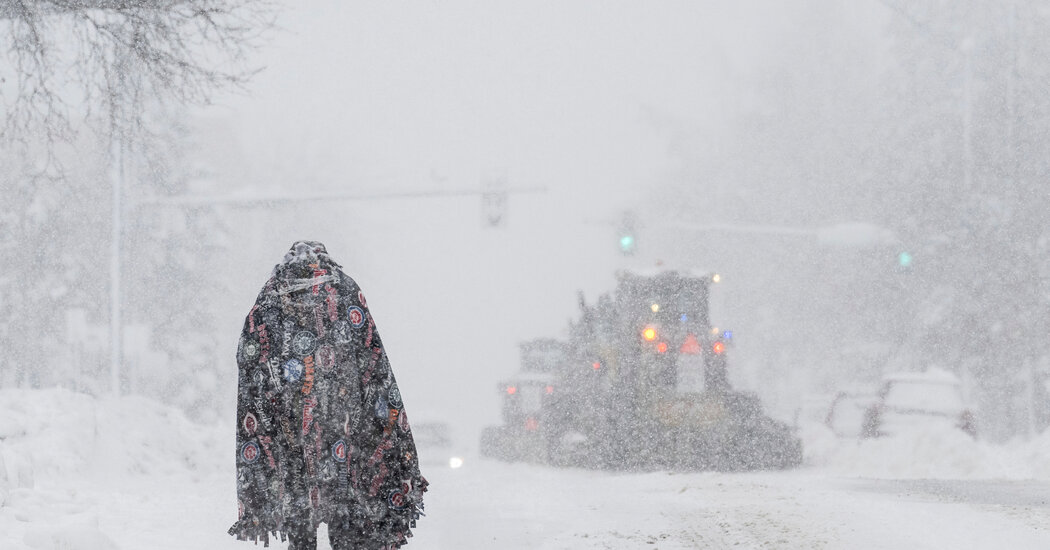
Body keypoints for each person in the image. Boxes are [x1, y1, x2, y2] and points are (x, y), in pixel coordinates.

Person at [228, 241, 426, 549]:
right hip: (343, 436)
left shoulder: (268, 298)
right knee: (345, 517)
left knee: (299, 522)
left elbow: (250, 359)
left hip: (291, 438)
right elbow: (372, 359)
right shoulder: (346, 292)